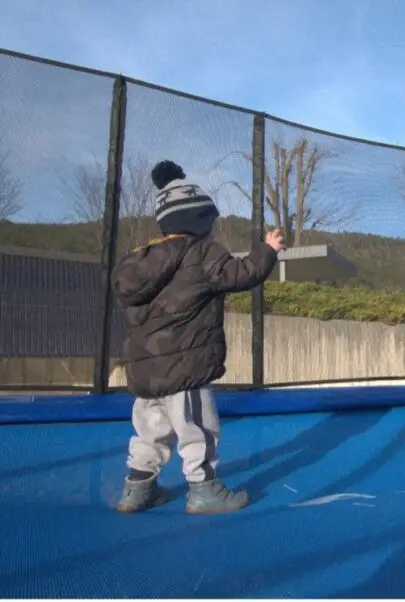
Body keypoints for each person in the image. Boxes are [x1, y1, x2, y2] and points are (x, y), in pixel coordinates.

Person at [112, 160, 284, 514]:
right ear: (200, 220)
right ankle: (203, 488)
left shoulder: (139, 263)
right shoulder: (201, 252)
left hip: (146, 371)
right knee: (198, 427)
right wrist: (268, 250)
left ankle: (138, 489)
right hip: (185, 365)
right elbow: (242, 273)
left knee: (150, 430)